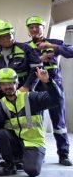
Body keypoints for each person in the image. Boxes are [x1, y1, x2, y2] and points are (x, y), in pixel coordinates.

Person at [0, 67, 63, 177]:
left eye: (10, 83)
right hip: (17, 143)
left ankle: (35, 157)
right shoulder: (1, 104)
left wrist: (48, 82)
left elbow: (57, 100)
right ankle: (10, 165)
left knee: (32, 171)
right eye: (3, 84)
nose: (7, 87)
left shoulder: (31, 97)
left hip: (34, 143)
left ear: (17, 84)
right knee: (1, 133)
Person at [26, 15, 73, 166]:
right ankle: (37, 153)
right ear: (28, 30)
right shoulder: (25, 47)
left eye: (37, 26)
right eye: (31, 27)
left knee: (59, 123)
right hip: (35, 89)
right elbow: (23, 66)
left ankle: (64, 154)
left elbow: (71, 51)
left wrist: (53, 47)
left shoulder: (54, 42)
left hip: (54, 89)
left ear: (44, 28)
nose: (34, 29)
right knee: (34, 123)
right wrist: (40, 59)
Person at [0, 22, 41, 92]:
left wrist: (27, 86)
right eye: (2, 37)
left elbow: (37, 68)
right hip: (3, 91)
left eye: (8, 36)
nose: (5, 39)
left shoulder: (25, 48)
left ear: (13, 35)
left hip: (23, 89)